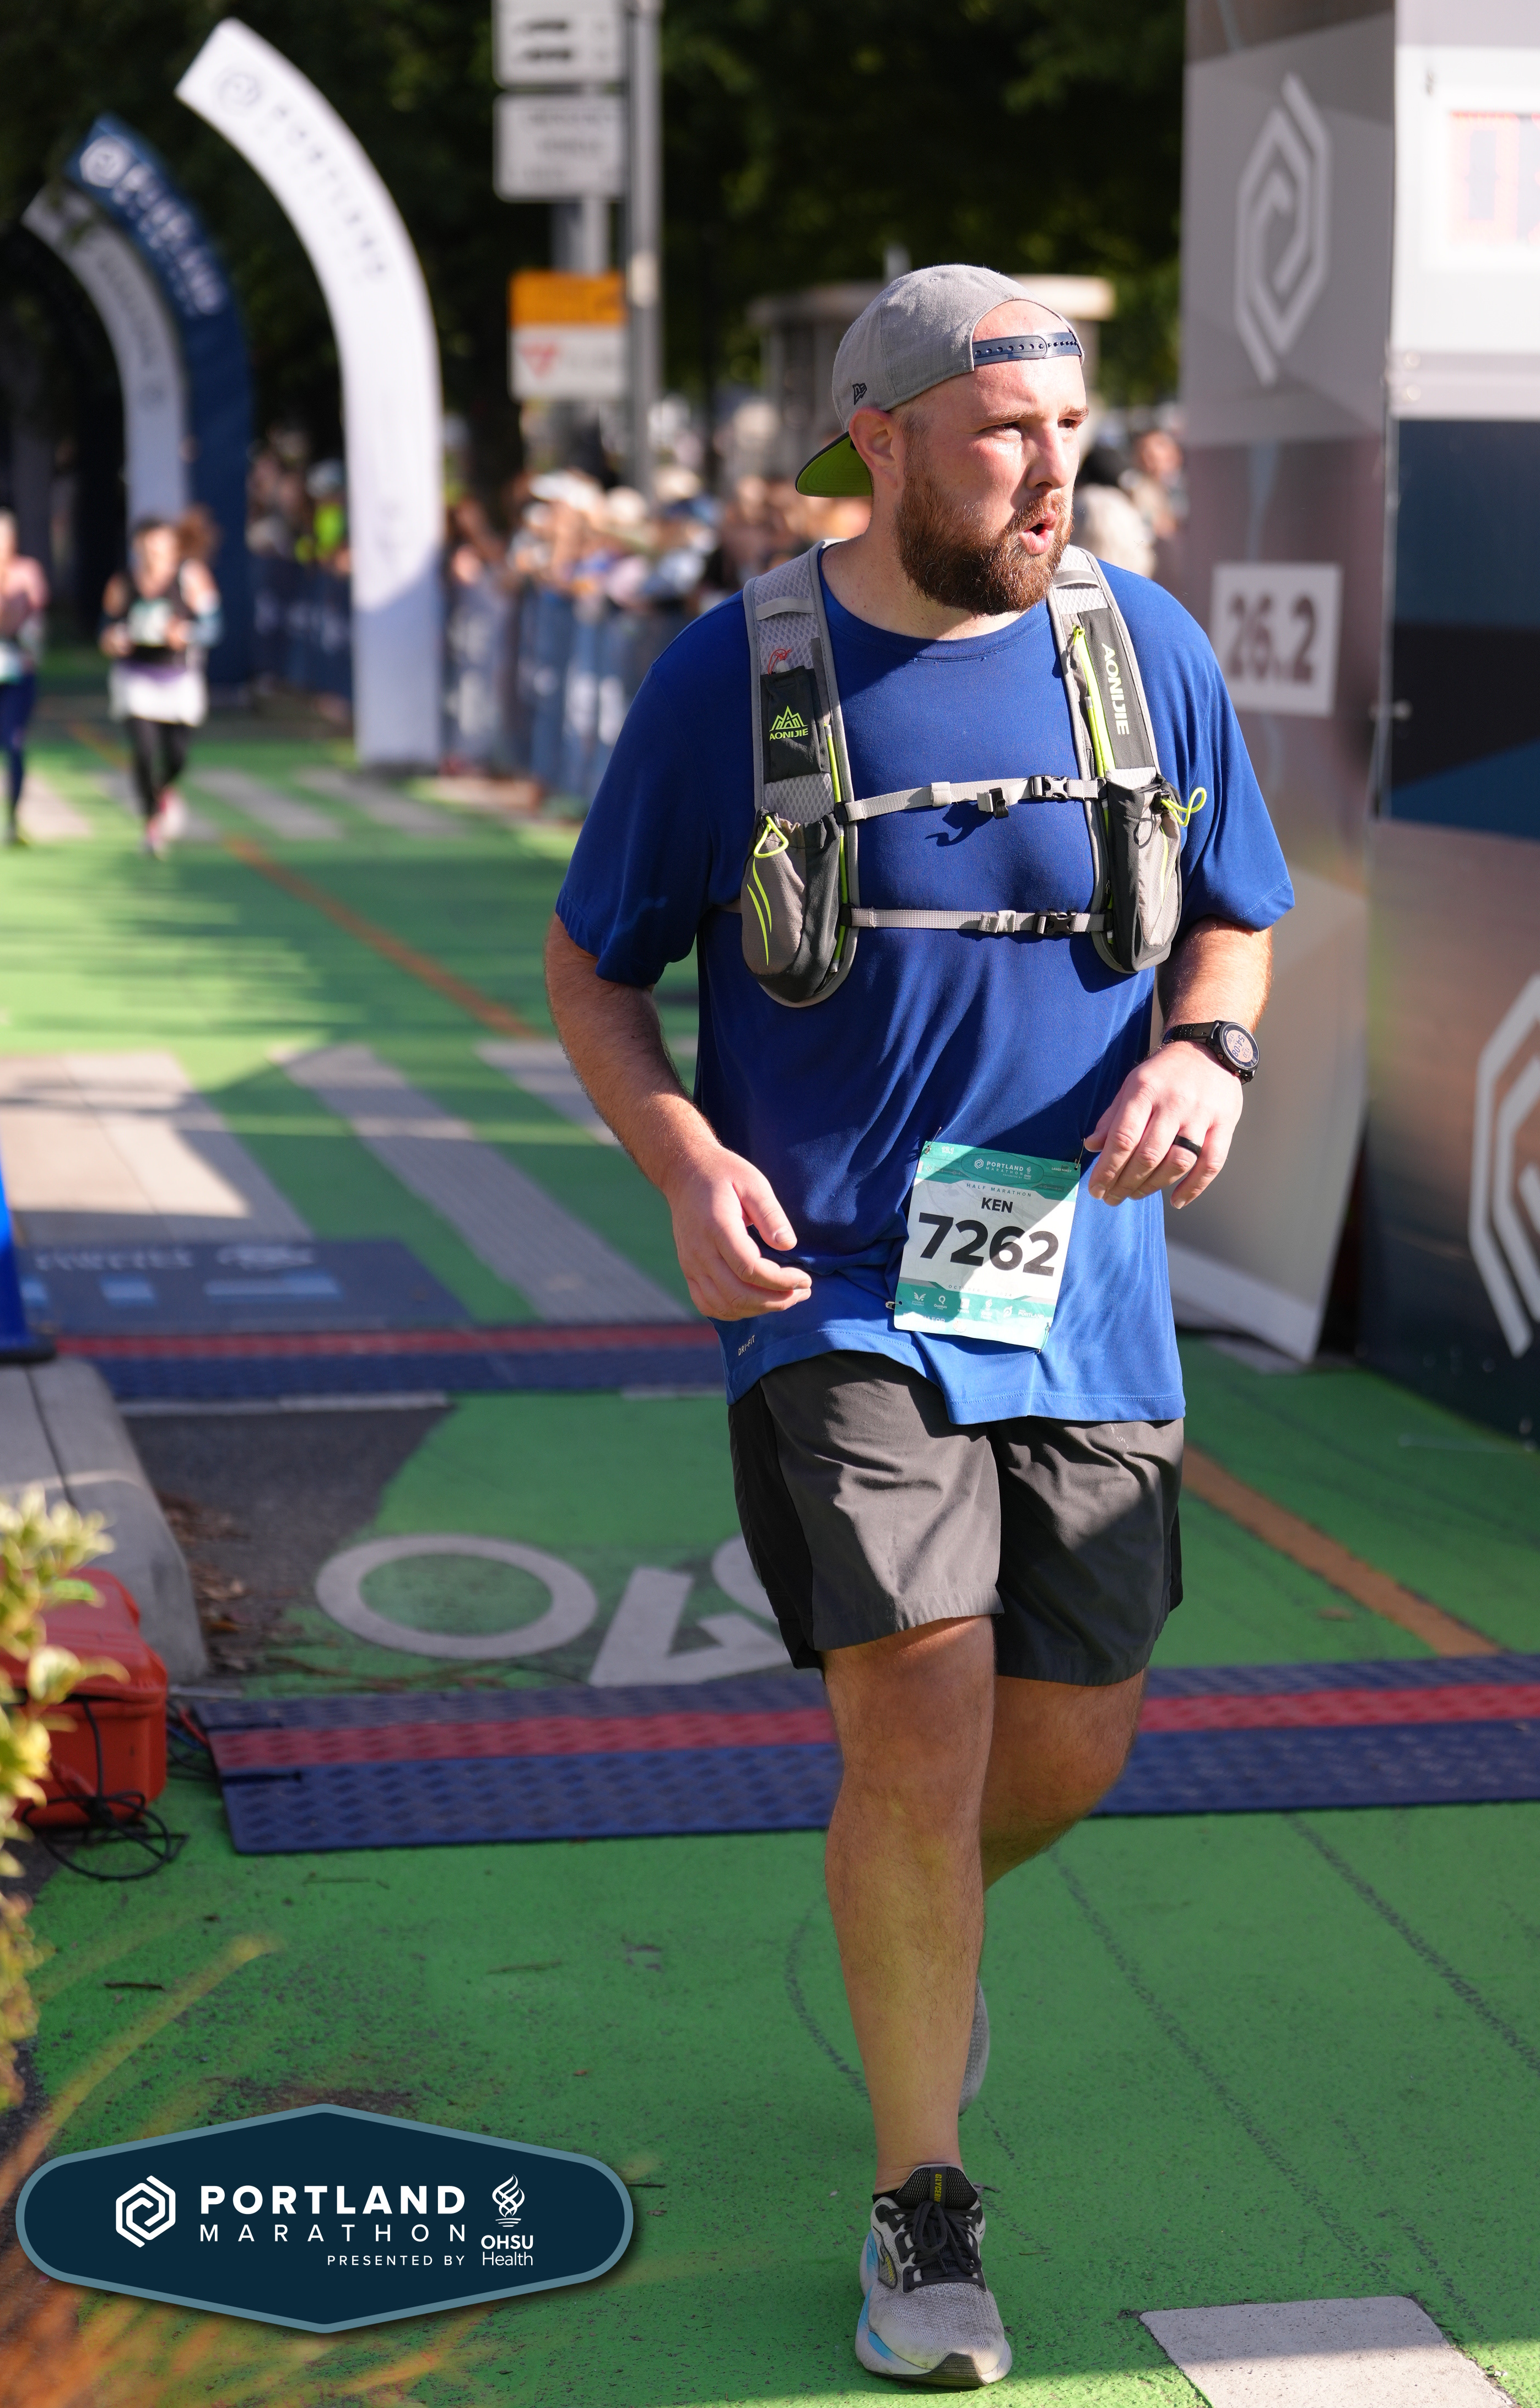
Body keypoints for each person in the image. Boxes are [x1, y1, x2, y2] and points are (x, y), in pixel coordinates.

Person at [544, 266, 1292, 2389]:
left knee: (1060, 1747)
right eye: (1001, 433)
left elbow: (1235, 912)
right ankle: (921, 2209)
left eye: (1069, 429)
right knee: (923, 1708)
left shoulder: (1143, 649)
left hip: (1082, 1285)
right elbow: (594, 966)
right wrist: (684, 1164)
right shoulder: (738, 673)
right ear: (876, 440)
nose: (1052, 469)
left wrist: (1208, 1057)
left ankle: (915, 1927)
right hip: (839, 1288)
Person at [100, 514, 221, 855]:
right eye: (147, 548)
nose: (153, 555)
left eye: (160, 547)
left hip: (179, 679)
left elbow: (214, 627)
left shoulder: (192, 578)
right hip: (136, 678)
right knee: (144, 750)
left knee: (178, 755)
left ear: (173, 548)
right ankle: (152, 821)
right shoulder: (123, 583)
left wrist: (187, 634)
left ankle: (164, 789)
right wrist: (111, 640)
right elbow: (106, 628)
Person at [0, 509, 48, 845]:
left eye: (0, 543)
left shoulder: (27, 574)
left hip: (18, 672)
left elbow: (35, 618)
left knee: (13, 740)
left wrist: (24, 631)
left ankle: (14, 816)